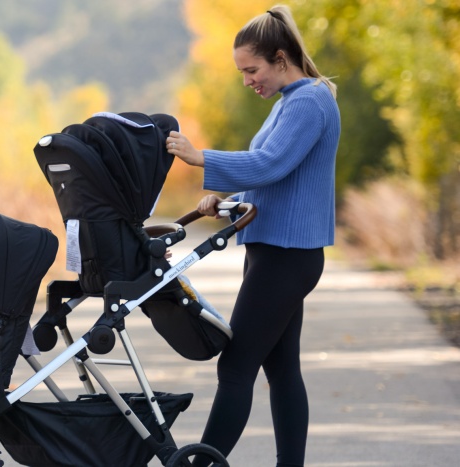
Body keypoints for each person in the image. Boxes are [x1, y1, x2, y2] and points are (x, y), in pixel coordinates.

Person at [166, 5, 340, 466]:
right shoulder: (295, 102)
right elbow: (272, 176)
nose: (248, 80)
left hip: (286, 257)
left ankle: (202, 464)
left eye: (252, 69)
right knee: (281, 370)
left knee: (236, 365)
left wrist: (200, 158)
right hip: (277, 252)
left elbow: (270, 164)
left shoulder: (308, 102)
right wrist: (226, 197)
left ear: (281, 58)